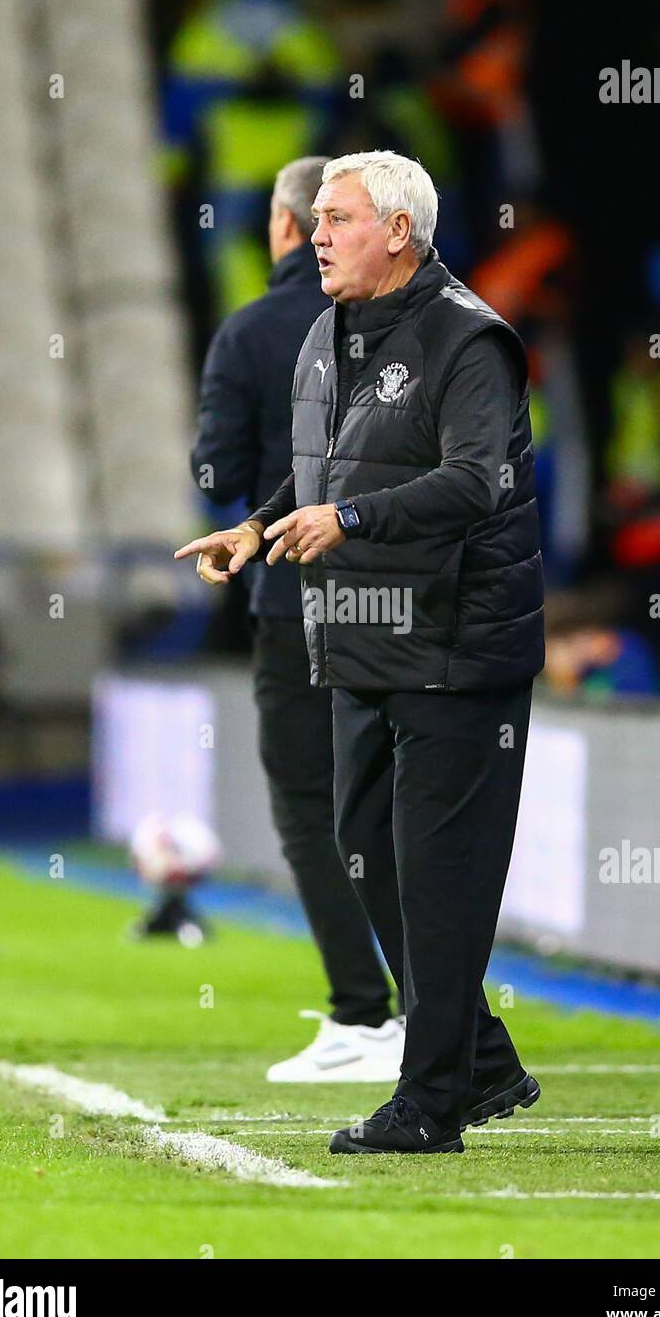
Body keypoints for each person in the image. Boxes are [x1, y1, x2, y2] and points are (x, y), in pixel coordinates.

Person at [176, 150, 543, 1154]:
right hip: (361, 643)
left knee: (435, 876)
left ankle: (428, 1105)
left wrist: (349, 516)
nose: (313, 234)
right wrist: (258, 528)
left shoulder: (469, 340)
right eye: (319, 217)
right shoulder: (324, 334)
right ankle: (478, 1059)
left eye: (336, 218)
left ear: (397, 231)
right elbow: (318, 472)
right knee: (363, 851)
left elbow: (477, 482)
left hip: (457, 647)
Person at [189, 156, 403, 1083]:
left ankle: (364, 1015)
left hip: (292, 599)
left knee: (311, 810)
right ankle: (441, 1019)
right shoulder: (407, 325)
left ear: (285, 225)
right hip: (400, 597)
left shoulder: (252, 331)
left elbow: (216, 470)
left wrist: (245, 520)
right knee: (396, 807)